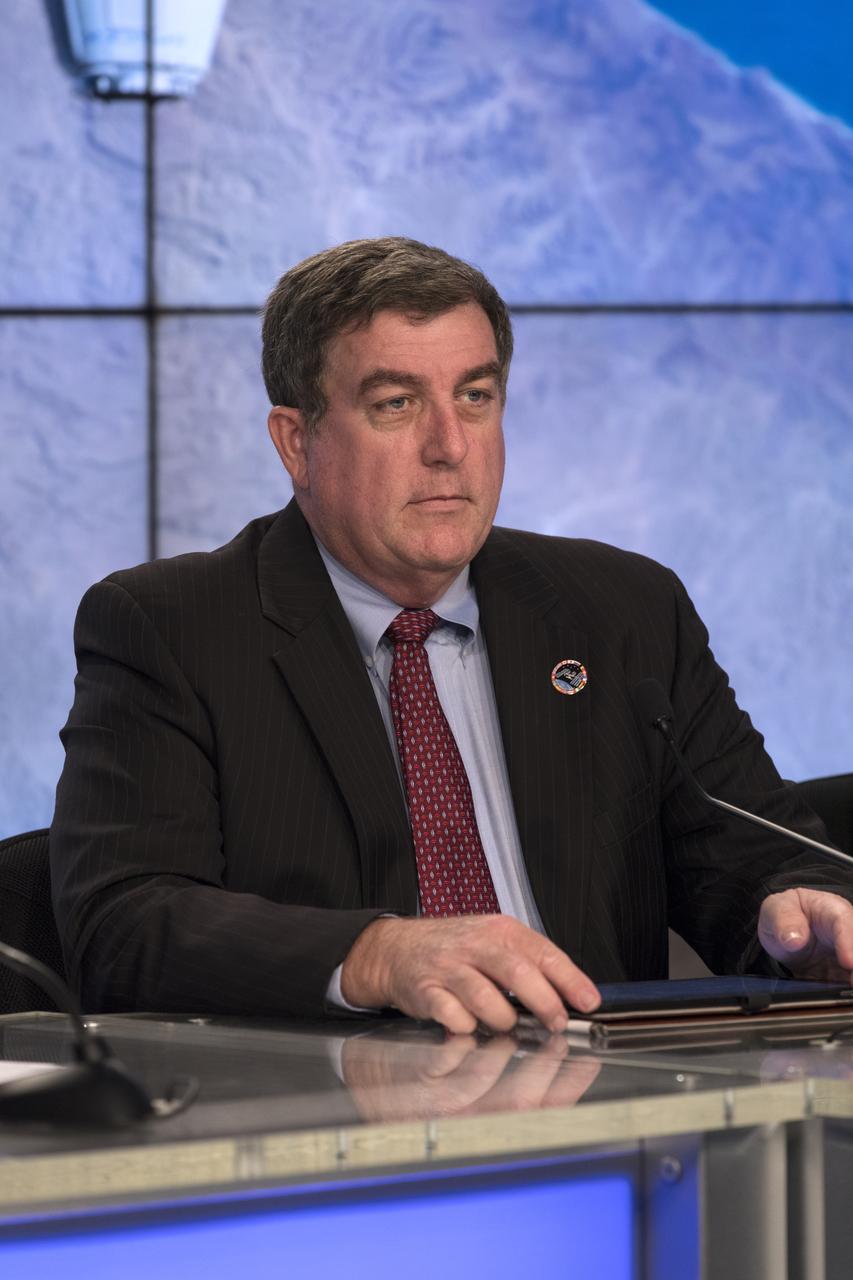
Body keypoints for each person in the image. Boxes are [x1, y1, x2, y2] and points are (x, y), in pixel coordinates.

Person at [50, 237, 853, 1033]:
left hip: (612, 1104)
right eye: (395, 403)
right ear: (297, 443)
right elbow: (123, 923)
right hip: (335, 1126)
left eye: (475, 396)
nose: (450, 447)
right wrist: (376, 954)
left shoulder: (622, 609)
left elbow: (759, 850)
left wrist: (799, 917)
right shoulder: (172, 627)